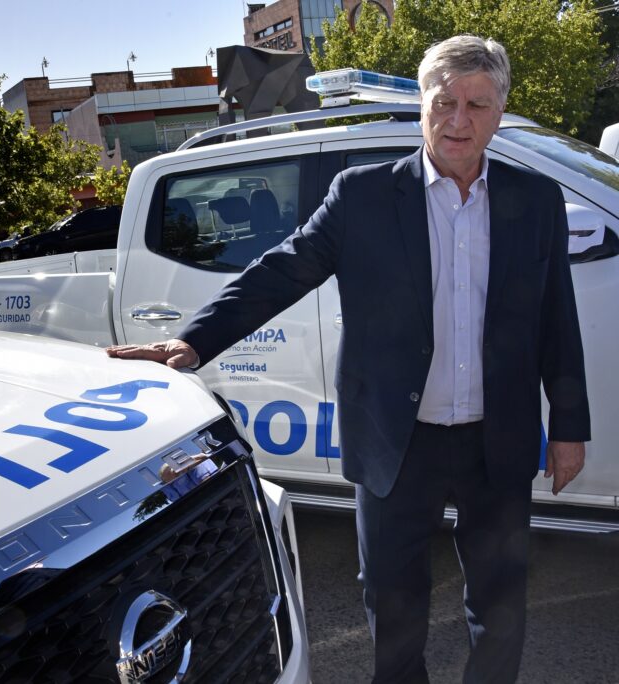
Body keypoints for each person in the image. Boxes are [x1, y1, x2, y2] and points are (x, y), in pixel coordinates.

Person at [106, 35, 590, 684]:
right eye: (444, 102)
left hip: (496, 438)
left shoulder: (534, 200)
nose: (458, 120)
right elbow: (282, 269)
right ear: (422, 105)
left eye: (477, 104)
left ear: (499, 112)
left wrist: (568, 427)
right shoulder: (362, 196)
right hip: (395, 442)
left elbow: (557, 314)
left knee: (501, 604)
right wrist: (195, 340)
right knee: (393, 606)